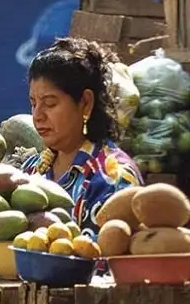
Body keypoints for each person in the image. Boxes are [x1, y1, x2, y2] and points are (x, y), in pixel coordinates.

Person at [22, 37, 143, 235]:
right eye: (34, 103)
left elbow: (110, 257)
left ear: (85, 102)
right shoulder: (30, 170)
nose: (37, 115)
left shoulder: (113, 178)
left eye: (50, 103)